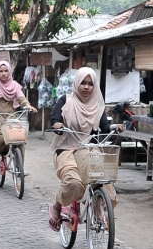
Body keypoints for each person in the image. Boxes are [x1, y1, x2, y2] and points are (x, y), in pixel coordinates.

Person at [48, 67, 123, 232]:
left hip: (89, 149)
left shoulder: (97, 105)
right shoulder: (65, 101)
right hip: (66, 149)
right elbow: (54, 121)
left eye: (90, 84)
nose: (86, 87)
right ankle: (57, 206)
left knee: (102, 182)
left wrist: (113, 127)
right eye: (83, 83)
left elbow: (104, 126)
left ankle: (97, 208)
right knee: (74, 183)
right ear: (77, 83)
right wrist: (58, 125)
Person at [0, 61, 36, 167]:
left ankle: (19, 167)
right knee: (2, 136)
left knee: (19, 138)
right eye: (1, 71)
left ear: (10, 72)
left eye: (6, 71)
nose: (3, 73)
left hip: (11, 116)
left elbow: (21, 97)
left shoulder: (14, 85)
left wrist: (27, 105)